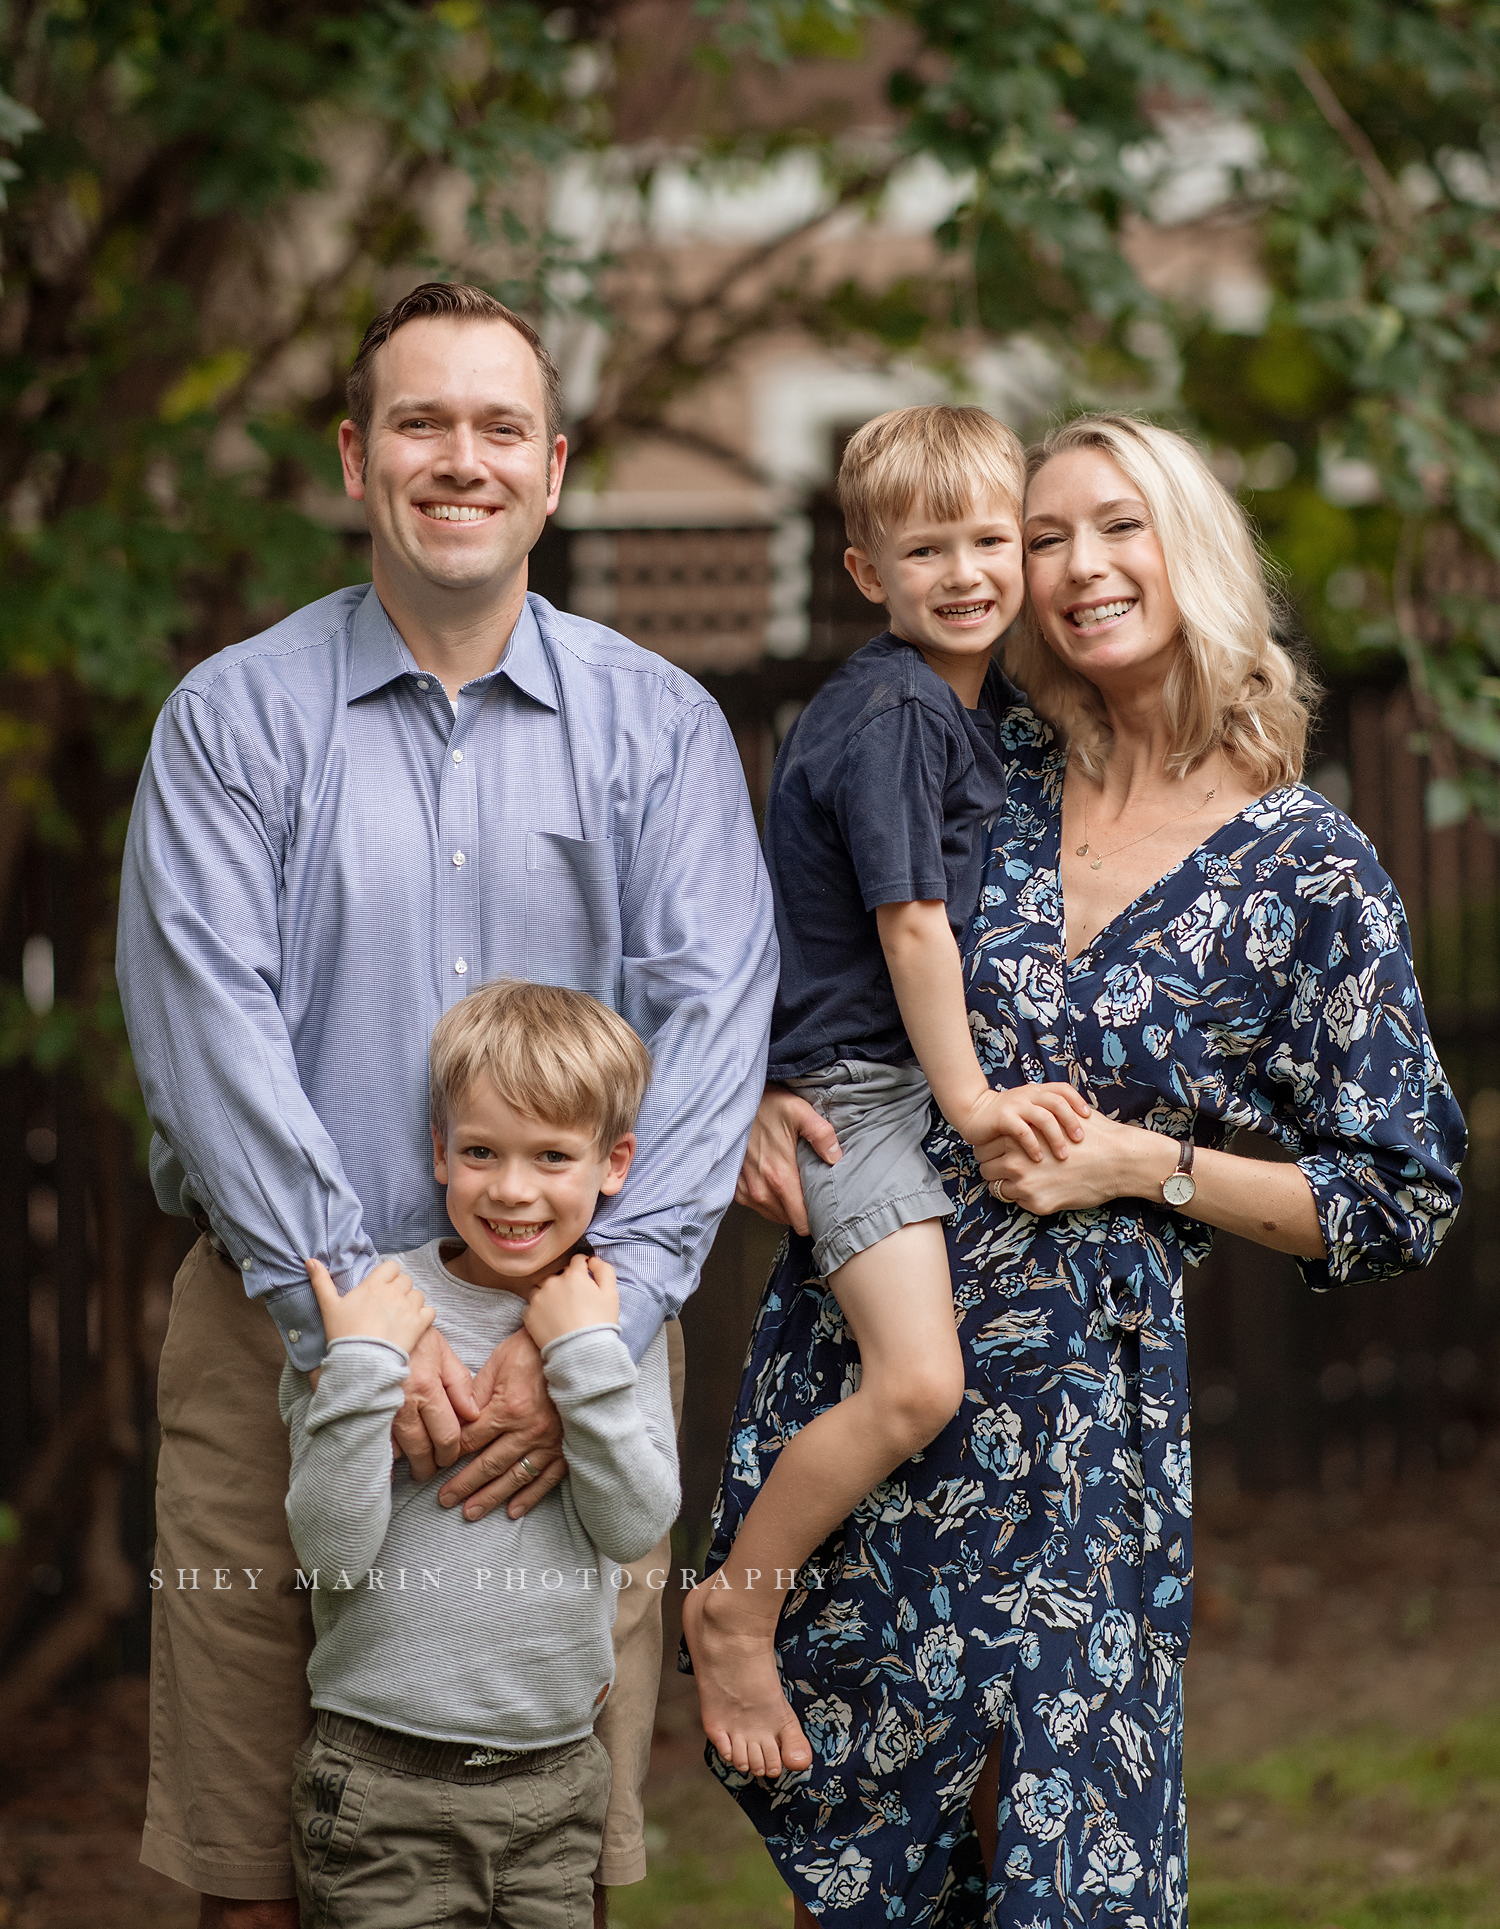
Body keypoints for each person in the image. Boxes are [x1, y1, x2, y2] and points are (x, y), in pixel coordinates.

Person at [715, 412, 1465, 1927]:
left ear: (1190, 544)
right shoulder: (961, 751)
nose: (1072, 565)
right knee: (870, 1872)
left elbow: (1403, 1193)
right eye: (1041, 533)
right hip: (874, 1370)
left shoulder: (1303, 866)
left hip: (1078, 1444)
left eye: (1113, 524)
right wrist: (745, 1083)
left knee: (1063, 1872)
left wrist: (1147, 1163)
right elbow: (777, 912)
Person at [118, 282, 777, 1927]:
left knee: (559, 1859)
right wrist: (362, 1318)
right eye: (420, 422)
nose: (458, 459)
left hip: (582, 1353)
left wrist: (592, 1340)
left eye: (499, 428)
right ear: (358, 457)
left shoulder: (660, 730)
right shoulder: (233, 726)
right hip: (283, 1342)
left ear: (552, 472)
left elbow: (713, 1027)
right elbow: (210, 1034)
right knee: (250, 1864)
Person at [683, 407, 1089, 1782]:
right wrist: (973, 1101)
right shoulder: (902, 710)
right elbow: (912, 925)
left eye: (990, 538)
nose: (968, 570)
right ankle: (736, 1608)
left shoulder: (962, 707)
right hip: (862, 1091)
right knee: (917, 1383)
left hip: (893, 1084)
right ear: (869, 573)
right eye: (929, 548)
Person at [283, 978, 679, 1929]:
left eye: (553, 1156)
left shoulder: (612, 1316)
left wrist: (582, 1355)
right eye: (481, 1153)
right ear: (439, 1154)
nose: (512, 1188)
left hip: (553, 1782)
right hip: (382, 1784)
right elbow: (329, 1553)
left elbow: (632, 1524)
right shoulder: (378, 1307)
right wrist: (366, 1366)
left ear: (614, 1162)